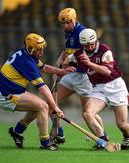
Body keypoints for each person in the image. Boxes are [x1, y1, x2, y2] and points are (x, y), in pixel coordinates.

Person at [0, 33, 75, 150]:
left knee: (38, 106)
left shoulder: (27, 54)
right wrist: (55, 108)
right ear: (31, 48)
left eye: (42, 49)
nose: (41, 53)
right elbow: (43, 88)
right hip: (5, 95)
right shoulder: (26, 62)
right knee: (43, 106)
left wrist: (61, 71)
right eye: (38, 50)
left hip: (12, 91)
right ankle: (45, 143)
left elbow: (44, 67)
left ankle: (17, 131)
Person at [65, 28, 129, 150]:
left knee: (122, 124)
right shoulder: (79, 54)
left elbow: (107, 71)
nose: (90, 47)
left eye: (92, 43)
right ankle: (105, 143)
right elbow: (67, 60)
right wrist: (62, 68)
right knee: (87, 113)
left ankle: (128, 136)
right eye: (86, 45)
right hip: (98, 88)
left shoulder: (104, 50)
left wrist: (90, 64)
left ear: (96, 40)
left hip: (115, 86)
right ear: (82, 44)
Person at [50, 8, 108, 145]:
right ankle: (59, 134)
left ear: (74, 19)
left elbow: (88, 55)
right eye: (62, 23)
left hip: (84, 77)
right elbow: (66, 52)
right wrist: (57, 69)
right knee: (51, 102)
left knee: (88, 113)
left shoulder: (82, 33)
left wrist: (65, 65)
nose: (64, 25)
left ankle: (103, 138)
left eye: (67, 22)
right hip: (71, 75)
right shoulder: (68, 32)